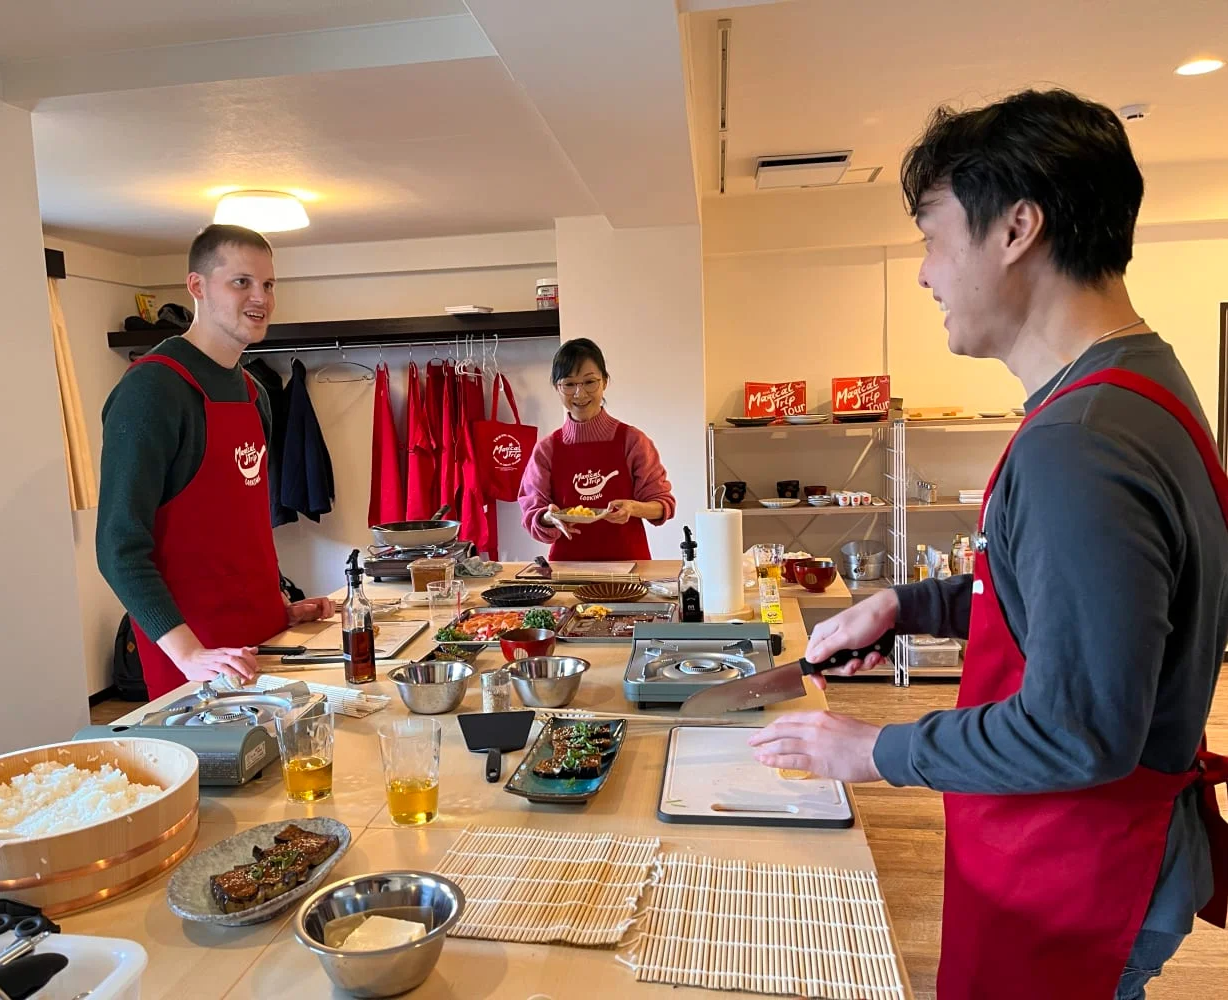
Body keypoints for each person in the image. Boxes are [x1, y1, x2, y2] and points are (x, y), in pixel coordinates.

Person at [748, 89, 1228, 1000]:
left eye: (931, 239)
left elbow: (1076, 729)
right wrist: (909, 604)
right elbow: (1080, 605)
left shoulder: (1079, 439)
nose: (924, 274)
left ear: (1016, 228)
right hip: (1097, 849)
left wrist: (871, 752)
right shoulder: (1138, 385)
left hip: (1077, 873)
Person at [97, 224, 332, 698]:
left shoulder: (253, 393)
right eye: (241, 282)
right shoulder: (153, 390)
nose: (260, 298)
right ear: (197, 287)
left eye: (268, 284)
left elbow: (239, 526)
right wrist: (187, 653)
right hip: (195, 659)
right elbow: (118, 547)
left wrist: (280, 606)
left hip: (265, 641)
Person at [518, 338, 675, 560]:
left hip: (629, 567)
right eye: (569, 384)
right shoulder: (547, 449)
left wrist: (633, 508)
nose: (580, 394)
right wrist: (547, 517)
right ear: (557, 387)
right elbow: (532, 511)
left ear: (605, 382)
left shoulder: (632, 441)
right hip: (568, 570)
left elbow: (662, 504)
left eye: (589, 382)